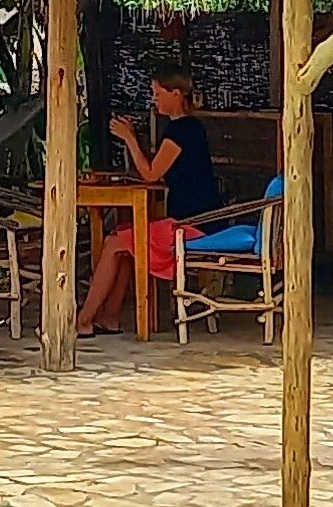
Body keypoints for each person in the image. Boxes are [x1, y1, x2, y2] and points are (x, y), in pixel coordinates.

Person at [77, 72, 227, 335]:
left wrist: (129, 138)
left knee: (114, 243)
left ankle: (82, 322)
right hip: (192, 219)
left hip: (193, 225)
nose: (154, 99)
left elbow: (150, 174)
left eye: (158, 93)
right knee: (124, 243)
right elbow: (156, 169)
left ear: (176, 94)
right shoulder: (189, 128)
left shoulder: (181, 130)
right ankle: (110, 317)